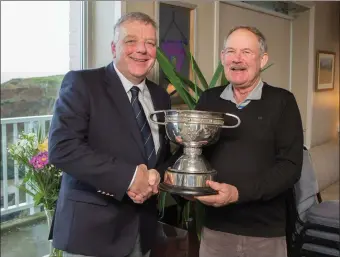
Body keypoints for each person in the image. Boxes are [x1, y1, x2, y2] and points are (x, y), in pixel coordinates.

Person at [48, 12, 172, 257]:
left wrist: (157, 173)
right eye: (131, 41)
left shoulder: (161, 96)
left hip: (143, 231)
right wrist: (129, 177)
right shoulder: (83, 83)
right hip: (92, 235)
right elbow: (63, 149)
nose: (142, 49)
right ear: (114, 47)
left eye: (150, 43)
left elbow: (163, 153)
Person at [191, 26, 304, 257]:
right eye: (230, 51)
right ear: (222, 58)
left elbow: (290, 168)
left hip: (264, 234)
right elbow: (196, 153)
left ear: (262, 60)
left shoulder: (283, 102)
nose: (237, 59)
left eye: (246, 52)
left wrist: (237, 193)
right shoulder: (209, 99)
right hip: (215, 231)